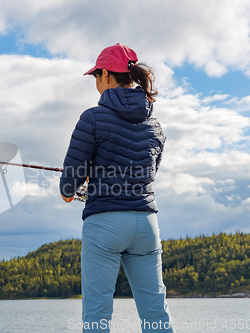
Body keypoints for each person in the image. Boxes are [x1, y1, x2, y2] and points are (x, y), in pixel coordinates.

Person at [59, 43, 175, 332]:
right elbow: (148, 173)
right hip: (147, 225)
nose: (96, 84)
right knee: (156, 315)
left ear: (107, 75)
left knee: (97, 315)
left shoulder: (93, 118)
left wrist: (68, 191)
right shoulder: (156, 125)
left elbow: (71, 179)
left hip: (105, 223)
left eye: (96, 77)